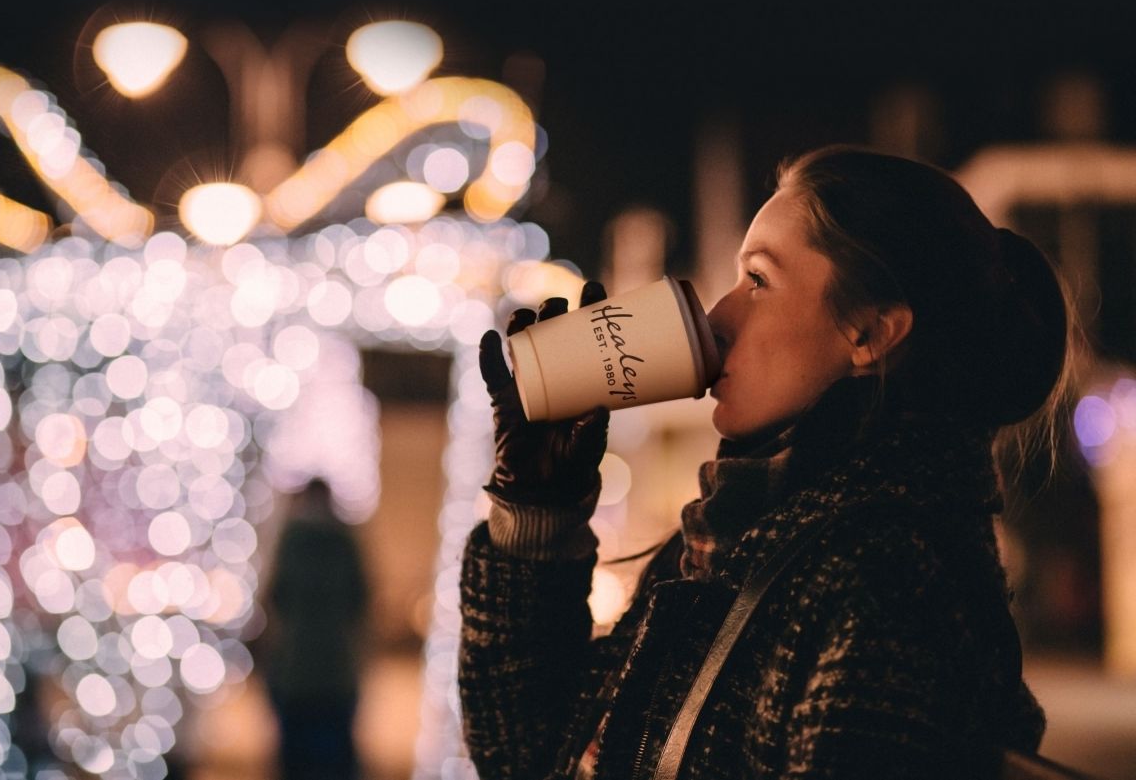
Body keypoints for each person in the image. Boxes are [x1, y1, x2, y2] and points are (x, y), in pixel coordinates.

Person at [459, 145, 1073, 779]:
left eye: (758, 280)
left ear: (870, 331)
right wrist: (537, 510)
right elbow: (527, 753)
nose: (718, 317)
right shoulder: (733, 539)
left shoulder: (887, 578)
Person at [259, 478, 369, 780]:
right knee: (334, 756)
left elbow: (275, 595)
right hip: (336, 667)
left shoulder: (291, 540)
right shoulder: (344, 540)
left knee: (297, 755)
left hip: (297, 666)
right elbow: (360, 598)